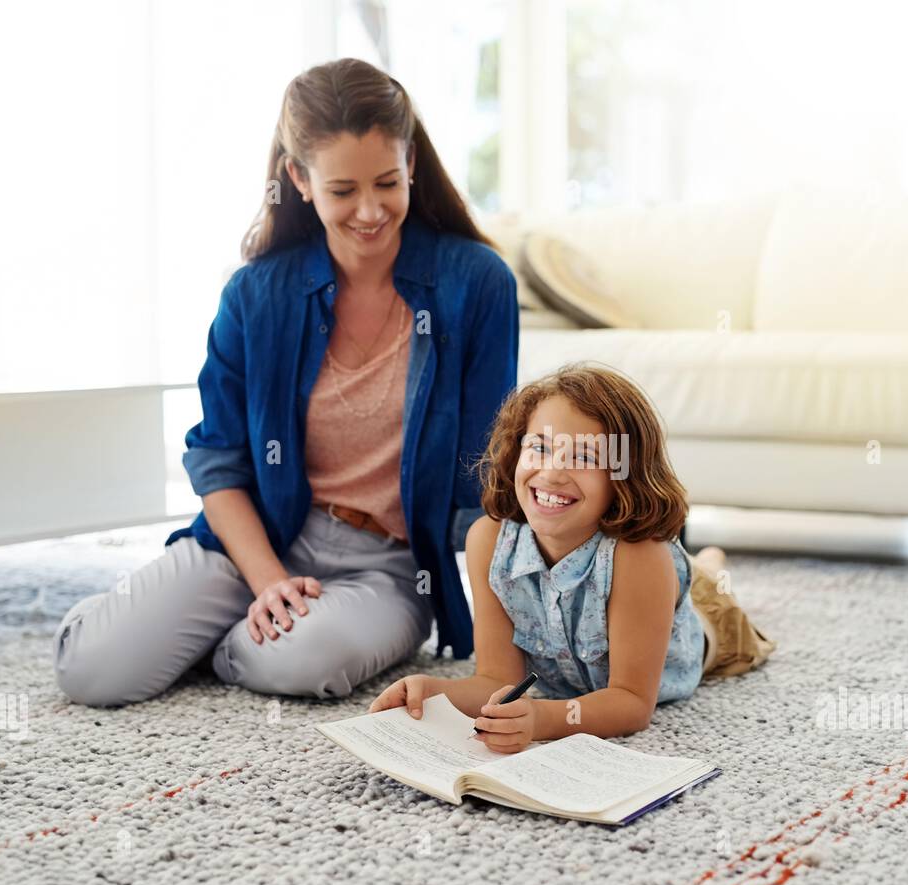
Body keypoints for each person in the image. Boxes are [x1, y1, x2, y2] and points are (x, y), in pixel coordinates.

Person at [52, 58, 518, 706]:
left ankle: (229, 644)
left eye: (386, 181)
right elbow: (218, 462)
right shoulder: (255, 294)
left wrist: (514, 629)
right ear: (299, 178)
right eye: (342, 189)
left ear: (412, 162)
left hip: (384, 569)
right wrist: (267, 580)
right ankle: (225, 619)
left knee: (303, 659)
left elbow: (485, 479)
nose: (369, 210)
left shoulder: (478, 284)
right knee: (92, 669)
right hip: (257, 540)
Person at [368, 363, 776, 751]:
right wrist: (432, 690)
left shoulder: (641, 559)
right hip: (650, 590)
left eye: (583, 457)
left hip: (708, 628)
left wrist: (542, 719)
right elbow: (495, 678)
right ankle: (704, 564)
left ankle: (709, 567)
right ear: (515, 453)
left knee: (715, 599)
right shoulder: (488, 541)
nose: (551, 472)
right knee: (697, 573)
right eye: (539, 448)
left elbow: (632, 702)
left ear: (624, 475)